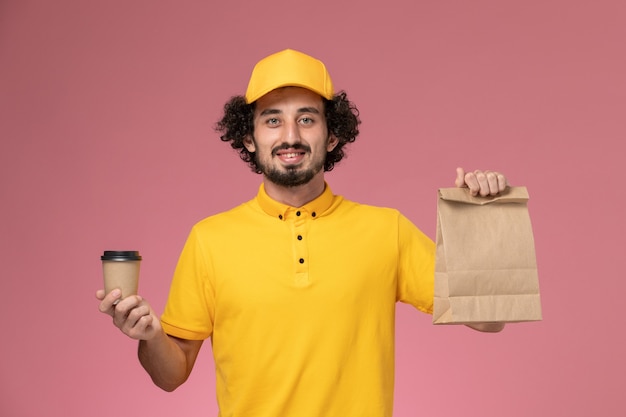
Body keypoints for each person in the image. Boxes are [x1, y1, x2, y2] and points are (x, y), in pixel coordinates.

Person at [97, 49, 508, 417]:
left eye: (306, 119)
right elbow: (170, 377)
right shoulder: (209, 240)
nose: (290, 136)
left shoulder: (387, 230)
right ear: (249, 138)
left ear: (332, 136)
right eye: (272, 120)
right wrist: (150, 337)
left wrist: (481, 218)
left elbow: (489, 320)